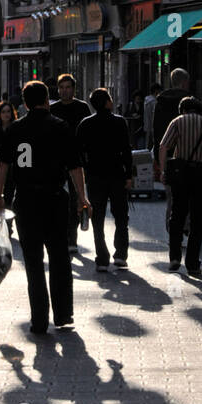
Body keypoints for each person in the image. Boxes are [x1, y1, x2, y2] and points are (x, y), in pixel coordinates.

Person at [0, 80, 90, 335]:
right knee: (59, 257)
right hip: (55, 199)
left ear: (24, 103)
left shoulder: (15, 129)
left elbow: (1, 165)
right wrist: (82, 197)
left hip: (26, 201)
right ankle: (63, 315)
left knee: (34, 262)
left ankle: (38, 320)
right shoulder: (60, 127)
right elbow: (75, 166)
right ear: (48, 100)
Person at [159, 96, 202, 274]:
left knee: (177, 215)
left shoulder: (177, 121)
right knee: (197, 219)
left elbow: (163, 146)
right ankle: (192, 262)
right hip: (201, 174)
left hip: (180, 173)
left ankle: (174, 257)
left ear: (182, 109)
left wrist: (163, 171)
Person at [77, 88, 133, 270]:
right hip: (116, 174)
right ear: (108, 102)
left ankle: (102, 257)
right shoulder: (119, 122)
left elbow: (78, 152)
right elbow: (126, 150)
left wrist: (85, 169)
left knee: (98, 218)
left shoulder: (85, 124)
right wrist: (129, 175)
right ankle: (121, 255)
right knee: (121, 216)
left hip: (95, 176)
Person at [49, 74, 92, 253]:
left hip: (77, 160)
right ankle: (63, 235)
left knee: (76, 197)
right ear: (58, 89)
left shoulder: (82, 107)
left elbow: (89, 133)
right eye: (62, 87)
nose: (65, 91)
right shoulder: (53, 109)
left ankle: (72, 238)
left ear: (74, 89)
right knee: (59, 198)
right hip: (57, 160)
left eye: (68, 87)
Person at [152, 69, 191, 165]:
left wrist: (157, 152)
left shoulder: (161, 101)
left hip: (165, 150)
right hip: (186, 151)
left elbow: (156, 128)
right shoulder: (189, 101)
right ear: (184, 82)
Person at [143, 82, 162, 152]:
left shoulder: (147, 100)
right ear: (156, 91)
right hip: (153, 125)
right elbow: (153, 115)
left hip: (147, 124)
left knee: (148, 143)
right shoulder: (154, 102)